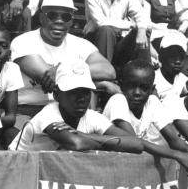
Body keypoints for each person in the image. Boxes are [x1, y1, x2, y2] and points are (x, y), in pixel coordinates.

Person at [10, 0, 117, 118]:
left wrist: (59, 70)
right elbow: (49, 76)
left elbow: (108, 70)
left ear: (71, 21)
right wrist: (100, 83)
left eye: (66, 17)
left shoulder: (80, 43)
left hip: (68, 112)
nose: (59, 21)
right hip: (31, 109)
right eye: (52, 15)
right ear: (41, 18)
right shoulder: (23, 41)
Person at [9, 60, 142, 153]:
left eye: (85, 91)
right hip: (19, 169)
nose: (81, 98)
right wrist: (112, 145)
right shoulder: (49, 114)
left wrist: (82, 134)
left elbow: (136, 144)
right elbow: (76, 144)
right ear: (56, 95)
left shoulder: (90, 116)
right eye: (73, 92)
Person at [103, 60, 188, 175]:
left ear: (152, 89)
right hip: (110, 165)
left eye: (144, 87)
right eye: (131, 86)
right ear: (121, 86)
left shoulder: (153, 102)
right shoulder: (118, 100)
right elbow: (134, 142)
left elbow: (173, 139)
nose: (137, 92)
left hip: (130, 165)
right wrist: (178, 155)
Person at [83, 0, 151, 71]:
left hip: (119, 43)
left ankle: (144, 75)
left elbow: (142, 16)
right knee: (106, 29)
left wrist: (141, 30)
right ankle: (102, 73)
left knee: (144, 31)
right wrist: (131, 24)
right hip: (96, 43)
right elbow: (101, 21)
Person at [153, 32, 188, 101]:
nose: (178, 61)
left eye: (181, 57)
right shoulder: (154, 79)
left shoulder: (181, 79)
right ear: (161, 58)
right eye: (172, 56)